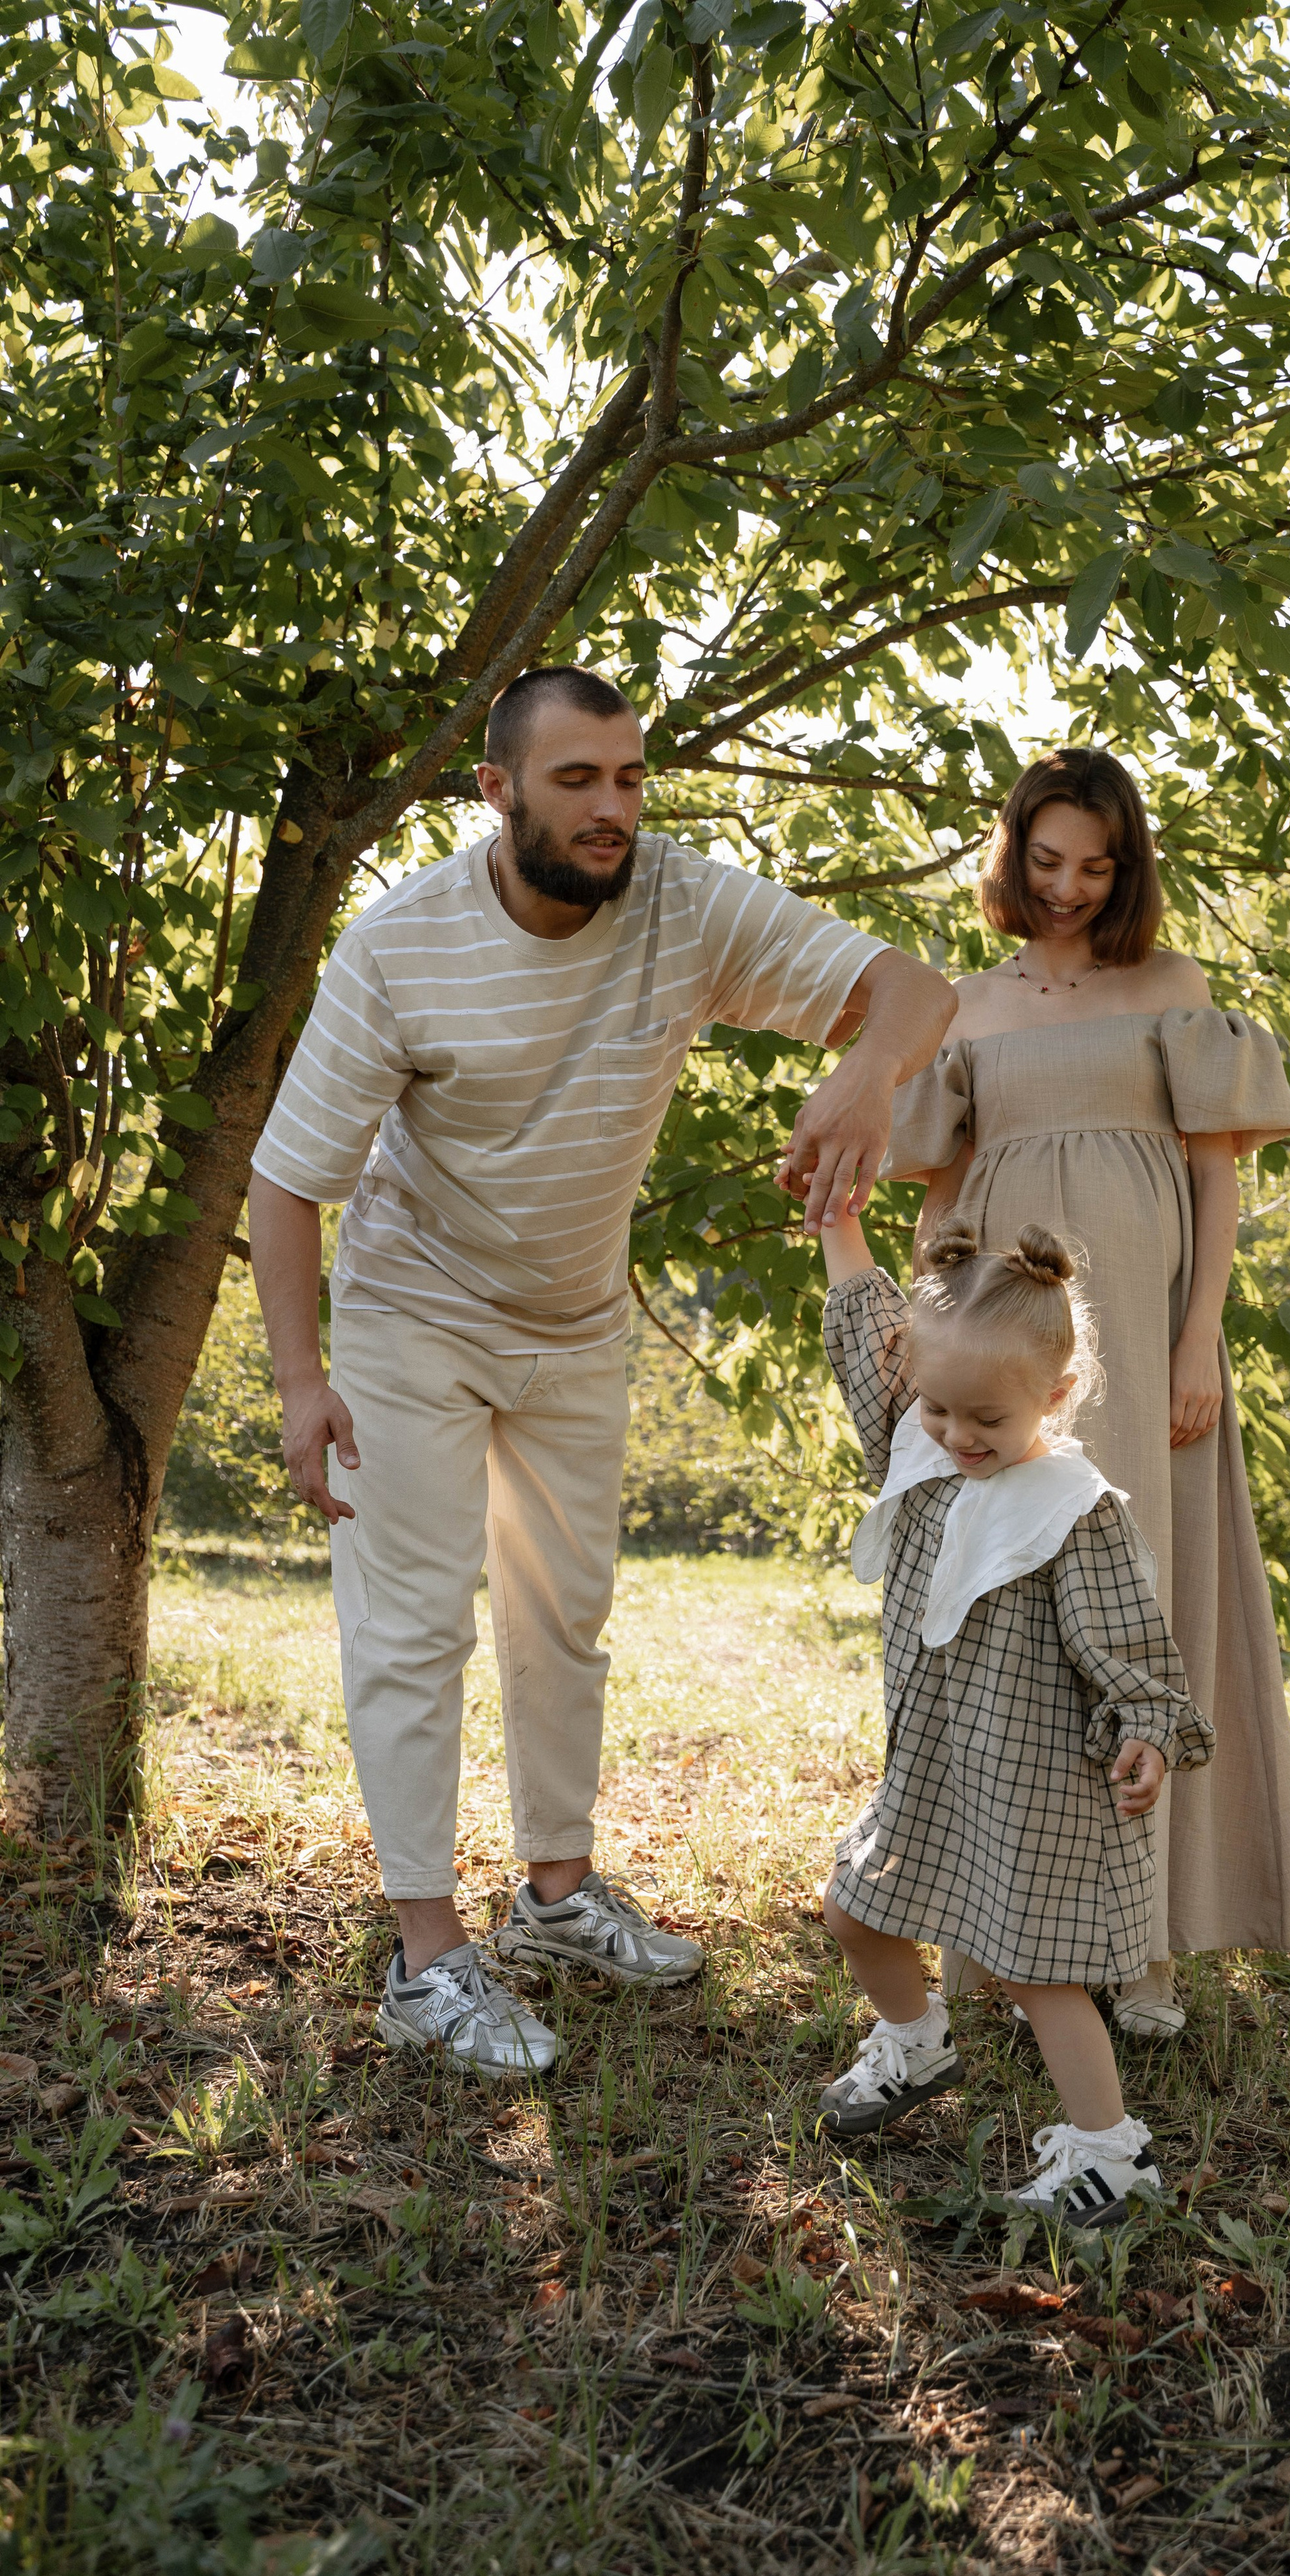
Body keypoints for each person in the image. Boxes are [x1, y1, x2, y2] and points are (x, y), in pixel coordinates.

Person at [249, 664, 954, 2077]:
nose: (612, 807)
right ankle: (426, 1952)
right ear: (497, 791)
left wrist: (864, 1075)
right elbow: (284, 1181)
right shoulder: (400, 948)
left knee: (564, 1614)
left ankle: (556, 1898)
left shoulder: (679, 902)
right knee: (412, 1627)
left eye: (628, 777)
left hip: (576, 1317)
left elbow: (910, 986)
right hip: (414, 1311)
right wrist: (296, 1377)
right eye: (577, 780)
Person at [883, 747, 1290, 2034]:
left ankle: (1145, 1947)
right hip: (1003, 1358)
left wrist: (1200, 1337)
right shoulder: (965, 1005)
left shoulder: (1173, 991)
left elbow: (1218, 1177)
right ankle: (1011, 1939)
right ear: (1010, 855)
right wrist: (926, 1339)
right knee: (1013, 1620)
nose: (1069, 887)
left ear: (1129, 867)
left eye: (1097, 864)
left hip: (1139, 1330)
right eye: (1046, 860)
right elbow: (940, 1199)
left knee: (1143, 1607)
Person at [814, 1210, 1214, 2227]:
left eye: (985, 1419)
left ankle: (1108, 2155)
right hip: (938, 1762)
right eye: (941, 1408)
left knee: (1043, 1972)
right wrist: (842, 1224)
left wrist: (1145, 1730)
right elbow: (872, 1350)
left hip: (1036, 1783)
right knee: (857, 1907)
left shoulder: (1072, 1509)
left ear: (1058, 1393)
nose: (957, 1435)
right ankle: (916, 2040)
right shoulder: (922, 1444)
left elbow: (1128, 1644)